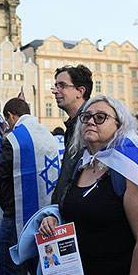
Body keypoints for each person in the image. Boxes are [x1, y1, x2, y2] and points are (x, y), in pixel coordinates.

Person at [39, 96, 138, 275]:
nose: (91, 121)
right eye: (86, 117)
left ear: (119, 124)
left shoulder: (128, 170)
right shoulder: (81, 167)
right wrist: (53, 219)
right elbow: (74, 212)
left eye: (100, 117)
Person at [0, 98, 60, 275]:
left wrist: (3, 142)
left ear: (9, 116)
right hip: (43, 217)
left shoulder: (13, 139)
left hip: (16, 214)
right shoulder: (47, 133)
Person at [50, 64, 93, 206]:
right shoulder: (74, 123)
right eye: (55, 86)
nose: (55, 91)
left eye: (62, 85)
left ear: (80, 91)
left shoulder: (91, 126)